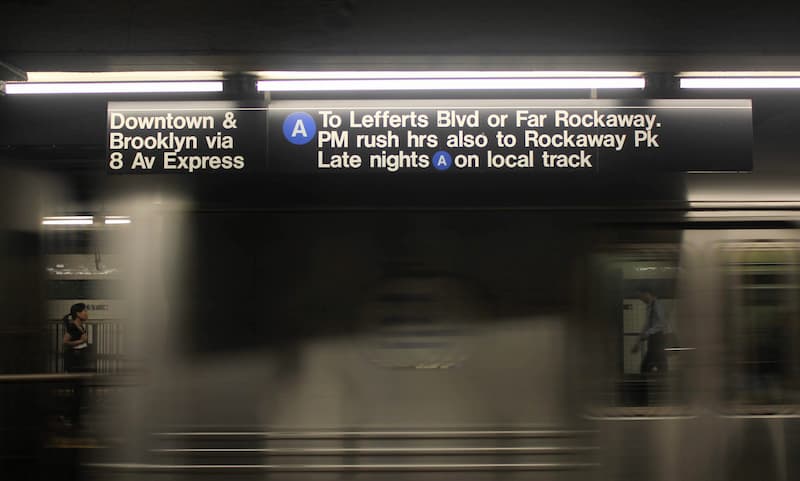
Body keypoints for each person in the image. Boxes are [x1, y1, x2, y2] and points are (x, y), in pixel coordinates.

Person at [630, 287, 668, 374]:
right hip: (653, 339)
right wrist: (638, 342)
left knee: (647, 366)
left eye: (640, 297)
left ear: (646, 293)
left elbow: (661, 323)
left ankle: (647, 385)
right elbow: (646, 325)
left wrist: (648, 333)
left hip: (658, 338)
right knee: (658, 365)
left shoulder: (657, 304)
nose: (640, 299)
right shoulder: (649, 307)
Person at [62, 302, 92, 373]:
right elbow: (65, 342)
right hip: (74, 361)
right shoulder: (73, 327)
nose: (87, 313)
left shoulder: (80, 326)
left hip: (79, 359)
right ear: (78, 314)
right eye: (84, 311)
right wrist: (81, 341)